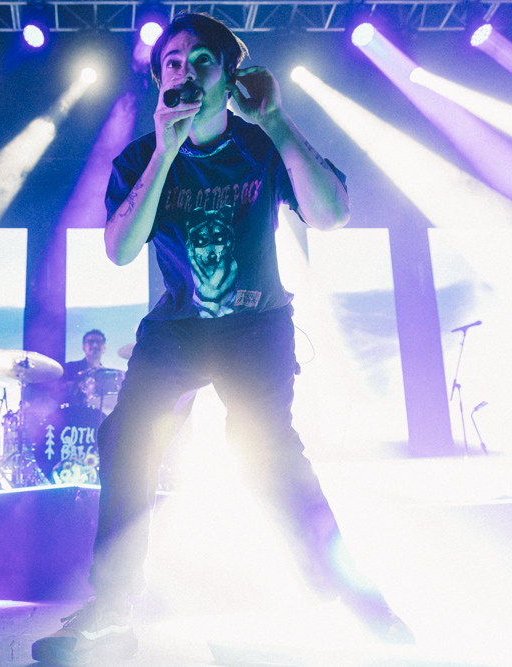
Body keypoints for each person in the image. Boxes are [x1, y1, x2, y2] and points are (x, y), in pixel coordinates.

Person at [32, 14, 413, 665]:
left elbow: (333, 213)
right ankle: (112, 609)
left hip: (256, 322)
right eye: (173, 63)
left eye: (202, 60)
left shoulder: (260, 145)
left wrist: (277, 124)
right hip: (177, 328)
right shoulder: (140, 157)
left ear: (230, 74)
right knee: (124, 436)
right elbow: (121, 250)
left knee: (265, 448)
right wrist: (164, 150)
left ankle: (349, 592)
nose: (187, 72)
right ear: (160, 81)